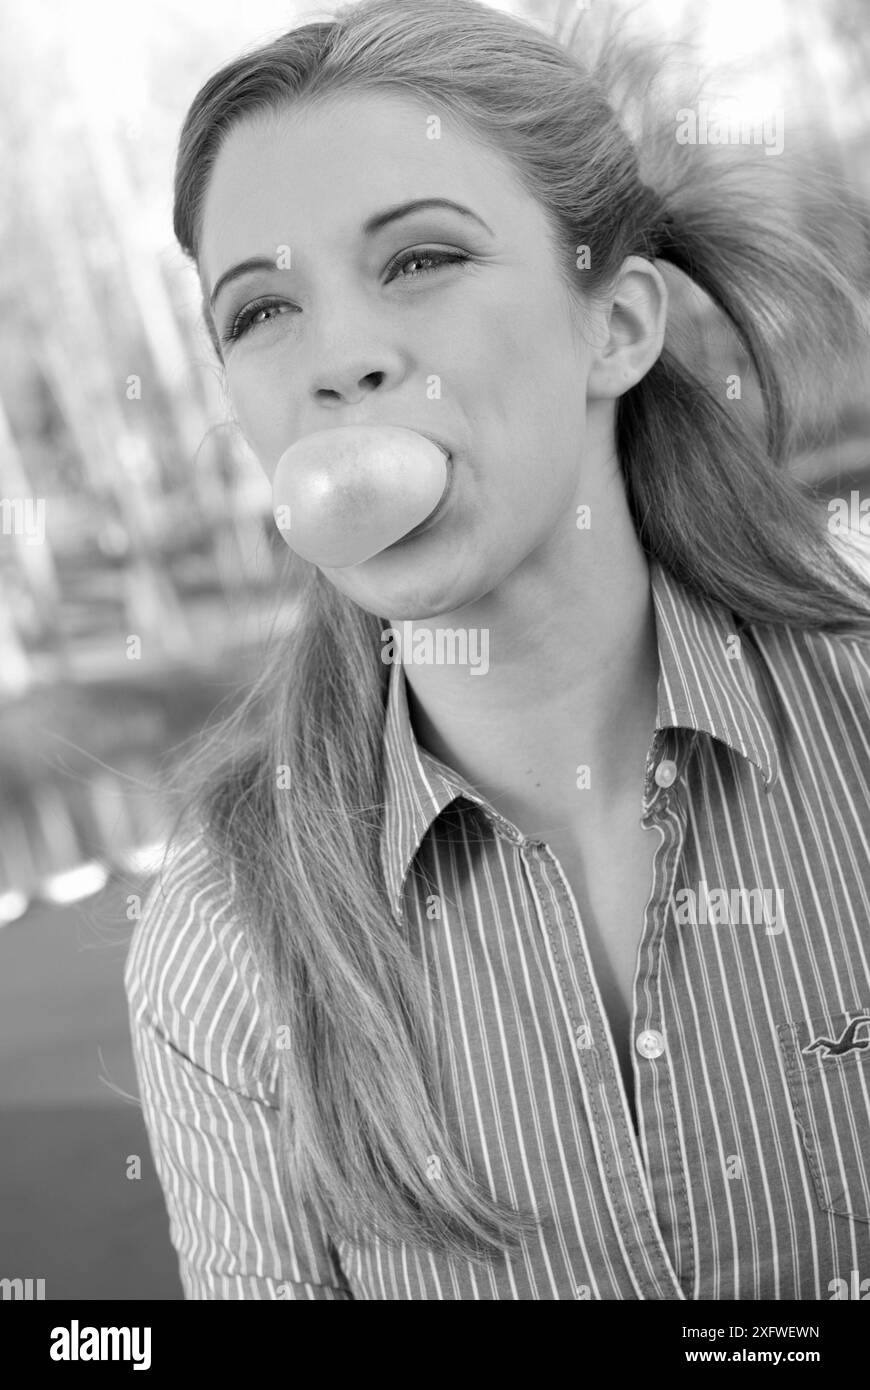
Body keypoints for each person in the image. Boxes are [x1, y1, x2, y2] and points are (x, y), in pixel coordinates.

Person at [124, 0, 870, 1300]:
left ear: (617, 325)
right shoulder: (218, 945)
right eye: (259, 311)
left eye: (418, 258)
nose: (340, 360)